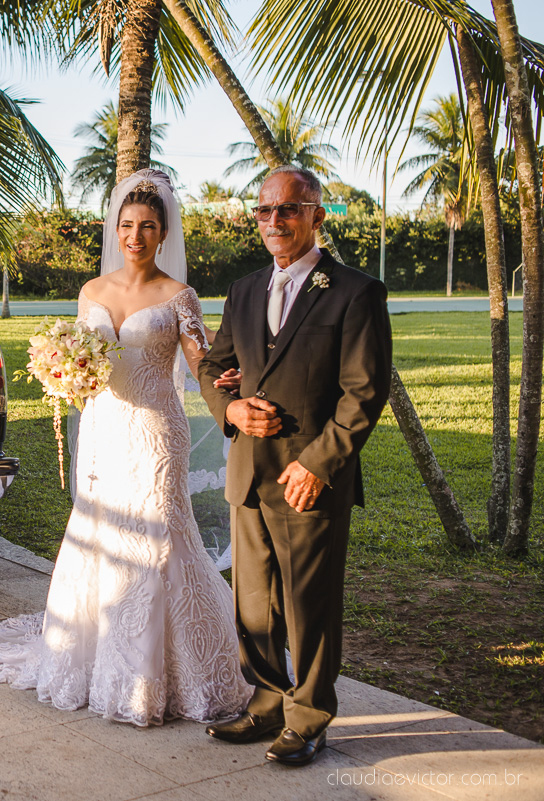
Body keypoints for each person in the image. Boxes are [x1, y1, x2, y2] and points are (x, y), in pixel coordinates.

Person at [0, 169, 251, 726]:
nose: (135, 236)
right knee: (99, 530)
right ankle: (97, 661)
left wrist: (229, 385)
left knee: (161, 535)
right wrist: (66, 377)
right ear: (116, 228)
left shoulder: (179, 296)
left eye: (147, 226)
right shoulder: (92, 292)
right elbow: (82, 356)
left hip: (157, 432)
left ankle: (166, 675)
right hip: (103, 427)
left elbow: (202, 362)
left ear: (163, 232)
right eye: (127, 224)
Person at [197, 166, 392, 766]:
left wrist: (319, 463)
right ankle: (266, 701)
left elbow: (364, 391)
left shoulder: (356, 291)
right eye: (264, 211)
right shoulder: (244, 288)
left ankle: (308, 718)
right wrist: (230, 407)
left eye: (288, 209)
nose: (274, 221)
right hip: (249, 473)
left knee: (309, 604)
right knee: (253, 603)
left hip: (308, 478)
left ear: (316, 216)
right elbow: (212, 365)